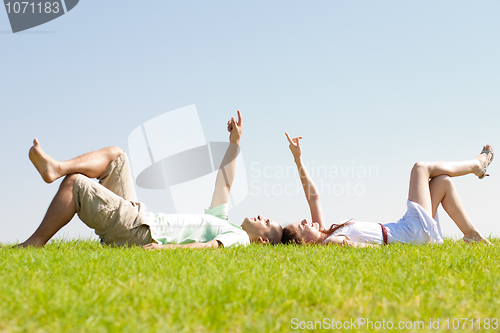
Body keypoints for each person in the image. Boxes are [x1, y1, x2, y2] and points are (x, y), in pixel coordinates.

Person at [18, 111, 282, 249]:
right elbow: (224, 184)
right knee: (116, 156)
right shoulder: (225, 223)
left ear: (262, 240)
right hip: (143, 218)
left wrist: (164, 250)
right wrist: (235, 142)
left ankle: (34, 244)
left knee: (75, 184)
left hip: (142, 232)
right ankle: (56, 167)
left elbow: (210, 247)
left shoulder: (239, 239)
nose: (261, 216)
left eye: (266, 222)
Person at [281, 132, 493, 247]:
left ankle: (472, 235)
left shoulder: (328, 232)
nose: (305, 221)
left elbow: (313, 198)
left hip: (406, 229)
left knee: (442, 182)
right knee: (420, 167)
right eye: (302, 226)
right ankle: (476, 165)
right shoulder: (331, 242)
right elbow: (368, 250)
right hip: (409, 234)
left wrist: (298, 160)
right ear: (305, 242)